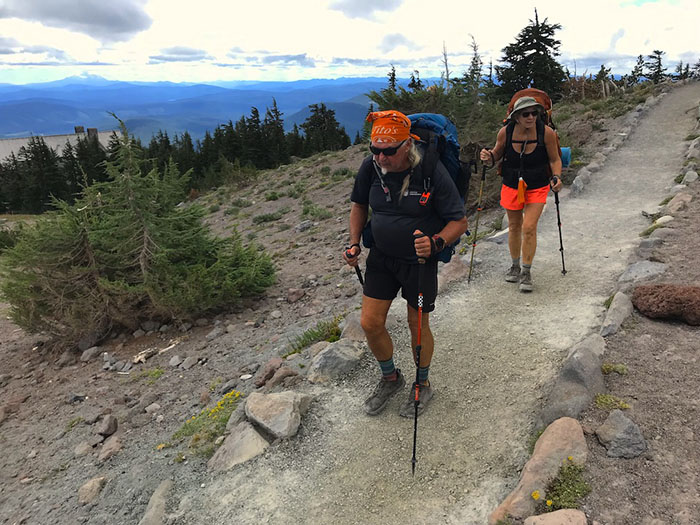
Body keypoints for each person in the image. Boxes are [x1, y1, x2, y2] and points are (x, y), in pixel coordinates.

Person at [343, 110, 468, 417]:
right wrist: (354, 243)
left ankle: (422, 385)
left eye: (388, 150)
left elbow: (459, 221)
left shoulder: (429, 169)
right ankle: (390, 378)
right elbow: (359, 204)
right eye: (376, 149)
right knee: (370, 323)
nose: (381, 157)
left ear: (407, 146)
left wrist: (437, 242)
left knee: (417, 326)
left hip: (419, 261)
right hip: (382, 258)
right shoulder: (370, 167)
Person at [479, 96, 563, 292]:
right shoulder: (505, 132)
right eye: (526, 114)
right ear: (516, 116)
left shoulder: (546, 133)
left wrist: (557, 176)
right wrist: (487, 156)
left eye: (535, 113)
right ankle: (515, 266)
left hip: (538, 185)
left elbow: (554, 159)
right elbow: (496, 155)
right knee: (514, 226)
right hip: (511, 184)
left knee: (529, 226)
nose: (531, 117)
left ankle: (526, 271)